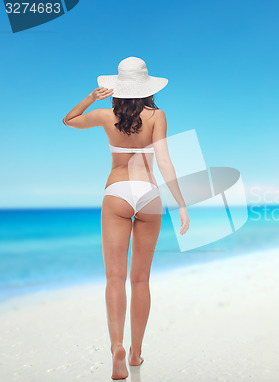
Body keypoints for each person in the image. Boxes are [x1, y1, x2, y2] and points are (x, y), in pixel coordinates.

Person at [62, 57, 189, 380]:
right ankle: (135, 353)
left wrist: (93, 97)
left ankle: (116, 345)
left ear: (117, 87)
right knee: (141, 280)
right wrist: (182, 204)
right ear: (147, 88)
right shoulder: (157, 116)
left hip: (116, 191)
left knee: (115, 278)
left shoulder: (107, 116)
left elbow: (69, 120)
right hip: (148, 194)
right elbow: (164, 161)